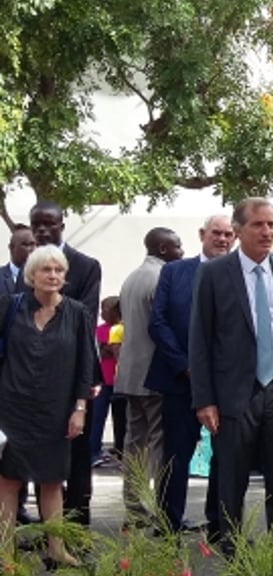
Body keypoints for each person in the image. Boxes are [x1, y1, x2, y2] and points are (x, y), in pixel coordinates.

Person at [189, 198, 273, 552]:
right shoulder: (214, 274)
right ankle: (233, 549)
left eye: (271, 224)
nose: (268, 232)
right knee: (232, 478)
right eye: (258, 225)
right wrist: (204, 398)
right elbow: (200, 339)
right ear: (238, 231)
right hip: (233, 392)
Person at [0, 245, 97, 566]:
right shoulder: (9, 308)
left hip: (56, 409)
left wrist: (79, 409)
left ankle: (56, 549)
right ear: (32, 275)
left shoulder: (77, 313)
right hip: (11, 407)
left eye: (59, 270)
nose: (53, 275)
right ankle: (5, 554)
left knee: (53, 480)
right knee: (8, 480)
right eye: (46, 270)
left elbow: (86, 366)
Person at [147, 214, 233, 535]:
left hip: (225, 382)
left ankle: (219, 523)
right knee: (176, 456)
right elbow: (157, 323)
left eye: (228, 234)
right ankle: (169, 522)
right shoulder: (174, 271)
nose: (222, 239)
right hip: (179, 380)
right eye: (216, 233)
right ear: (202, 234)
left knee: (224, 458)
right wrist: (186, 364)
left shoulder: (239, 274)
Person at [26, 201, 101, 526]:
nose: (43, 230)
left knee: (79, 455)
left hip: (74, 378)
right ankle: (51, 530)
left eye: (49, 224)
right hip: (32, 382)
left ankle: (77, 525)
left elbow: (83, 321)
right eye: (36, 225)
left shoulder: (85, 266)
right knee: (42, 458)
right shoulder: (28, 267)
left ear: (61, 225)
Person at [116, 227, 183, 529]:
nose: (182, 252)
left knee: (134, 441)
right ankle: (159, 508)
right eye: (177, 246)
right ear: (163, 248)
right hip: (153, 374)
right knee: (158, 441)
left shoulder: (132, 277)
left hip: (129, 373)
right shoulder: (160, 278)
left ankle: (134, 506)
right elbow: (162, 326)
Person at [91, 296, 125, 467]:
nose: (101, 313)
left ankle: (121, 450)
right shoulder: (99, 330)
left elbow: (113, 351)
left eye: (105, 309)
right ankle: (94, 450)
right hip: (103, 379)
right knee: (98, 416)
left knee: (121, 418)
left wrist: (108, 348)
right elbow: (101, 352)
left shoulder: (123, 329)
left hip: (119, 381)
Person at [0, 225, 35, 297]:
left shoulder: (42, 277)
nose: (31, 249)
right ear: (11, 247)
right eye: (25, 245)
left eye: (33, 244)